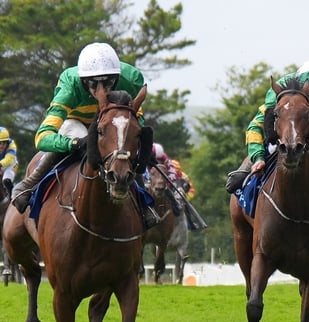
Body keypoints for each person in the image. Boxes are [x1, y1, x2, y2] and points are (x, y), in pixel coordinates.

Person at [11, 42, 158, 227]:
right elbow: (42, 137)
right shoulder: (70, 84)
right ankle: (31, 182)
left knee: (124, 145)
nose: (101, 90)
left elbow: (138, 120)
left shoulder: (132, 78)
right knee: (76, 129)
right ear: (82, 80)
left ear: (117, 77)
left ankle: (143, 201)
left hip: (113, 125)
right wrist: (73, 143)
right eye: (93, 83)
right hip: (78, 125)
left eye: (108, 82)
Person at [228, 59, 309, 221]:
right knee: (269, 146)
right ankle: (243, 173)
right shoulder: (280, 90)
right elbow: (255, 127)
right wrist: (258, 157)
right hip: (288, 125)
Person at [152, 142, 195, 213]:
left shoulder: (174, 166)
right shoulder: (145, 163)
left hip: (174, 194)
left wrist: (183, 198)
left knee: (181, 197)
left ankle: (188, 222)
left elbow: (190, 189)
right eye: (156, 161)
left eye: (160, 161)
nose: (158, 163)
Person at [0, 126, 19, 198]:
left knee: (6, 180)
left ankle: (12, 198)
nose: (1, 146)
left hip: (10, 165)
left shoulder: (12, 146)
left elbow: (9, 159)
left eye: (4, 143)